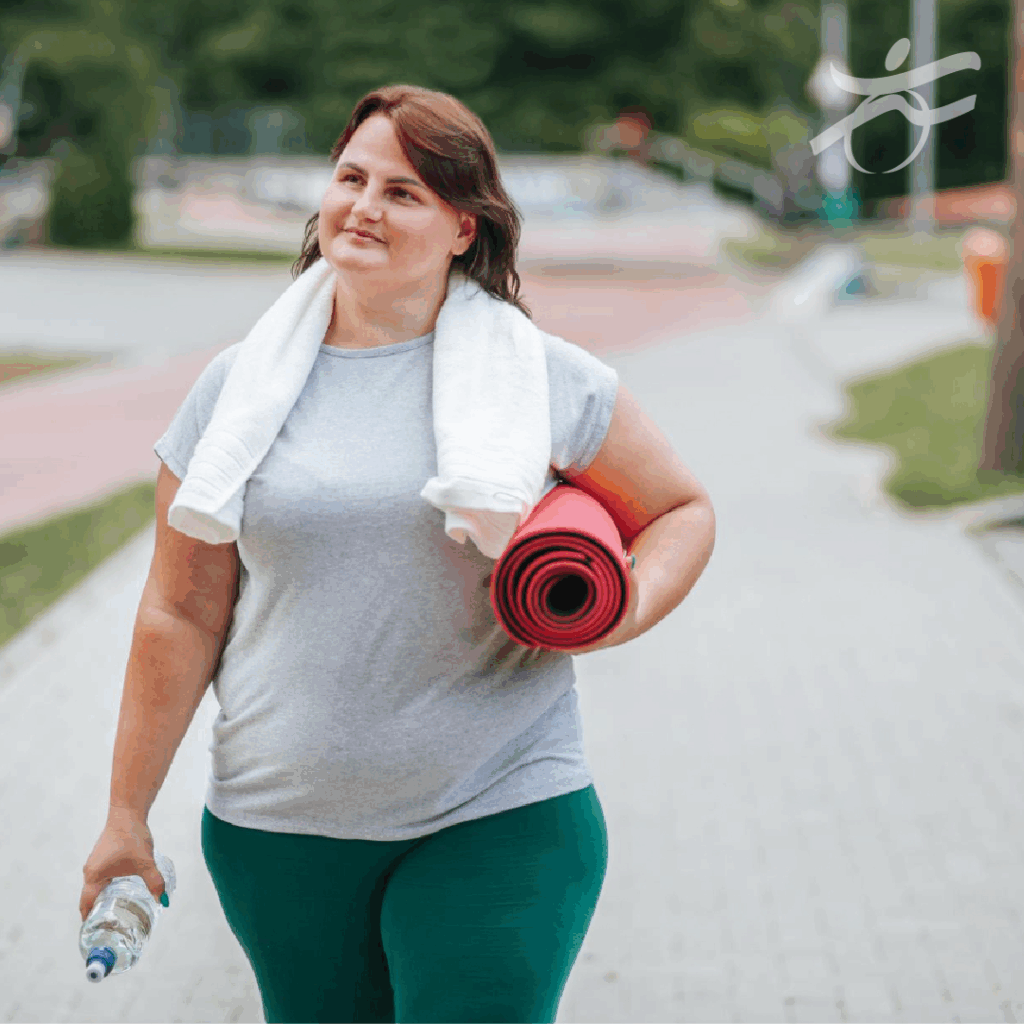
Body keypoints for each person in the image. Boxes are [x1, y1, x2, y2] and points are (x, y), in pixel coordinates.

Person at [79, 84, 716, 1023]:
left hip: (500, 807)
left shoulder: (536, 374)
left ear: (464, 227)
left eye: (404, 192)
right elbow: (181, 611)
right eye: (351, 178)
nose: (365, 206)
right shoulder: (237, 390)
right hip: (277, 827)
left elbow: (680, 510)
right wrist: (126, 815)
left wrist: (626, 607)